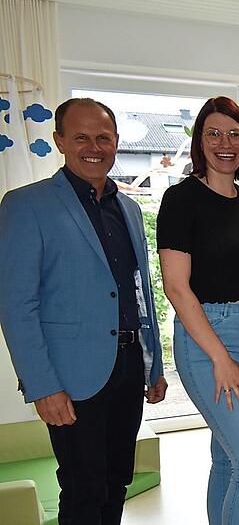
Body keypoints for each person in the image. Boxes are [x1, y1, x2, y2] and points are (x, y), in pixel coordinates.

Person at [0, 98, 167, 525]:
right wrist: (42, 386)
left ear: (115, 143)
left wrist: (152, 366)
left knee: (116, 482)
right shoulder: (26, 205)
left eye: (103, 138)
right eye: (81, 137)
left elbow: (138, 292)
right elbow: (17, 304)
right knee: (82, 488)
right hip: (71, 378)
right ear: (59, 141)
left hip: (129, 365)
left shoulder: (128, 208)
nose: (94, 147)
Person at [157, 96, 239, 524]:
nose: (226, 143)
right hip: (209, 336)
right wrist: (220, 358)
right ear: (199, 141)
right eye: (215, 133)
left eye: (235, 134)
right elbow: (176, 287)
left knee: (227, 459)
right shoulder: (180, 199)